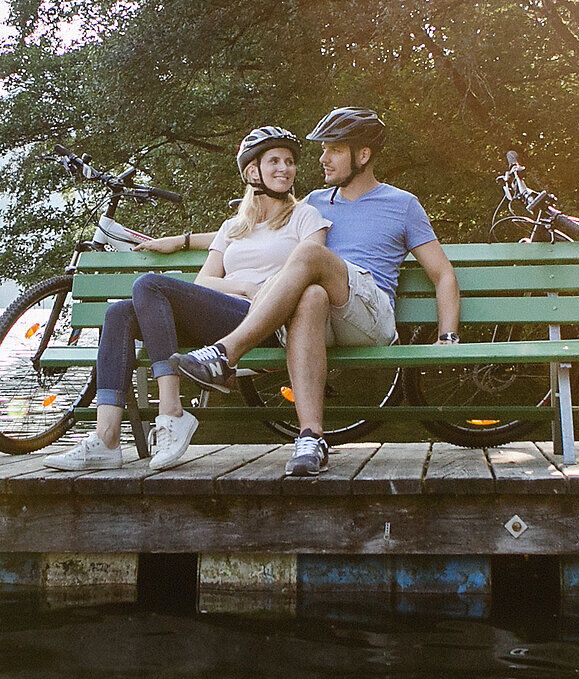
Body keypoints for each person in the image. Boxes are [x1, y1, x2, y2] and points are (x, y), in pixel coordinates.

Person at [173, 108, 461, 477]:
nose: (322, 159)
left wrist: (447, 336)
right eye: (323, 150)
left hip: (369, 317)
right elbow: (250, 229)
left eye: (334, 150)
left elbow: (442, 273)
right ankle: (311, 439)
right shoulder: (312, 203)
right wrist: (180, 240)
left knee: (309, 254)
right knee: (310, 295)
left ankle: (224, 355)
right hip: (322, 314)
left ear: (363, 155)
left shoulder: (401, 204)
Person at [46, 127, 335, 473]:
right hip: (230, 313)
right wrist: (242, 284)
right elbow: (205, 281)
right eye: (274, 160)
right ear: (251, 171)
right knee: (120, 313)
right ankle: (106, 438)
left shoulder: (306, 217)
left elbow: (311, 264)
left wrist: (261, 289)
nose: (284, 168)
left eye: (289, 162)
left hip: (270, 320)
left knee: (149, 285)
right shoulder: (234, 228)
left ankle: (171, 412)